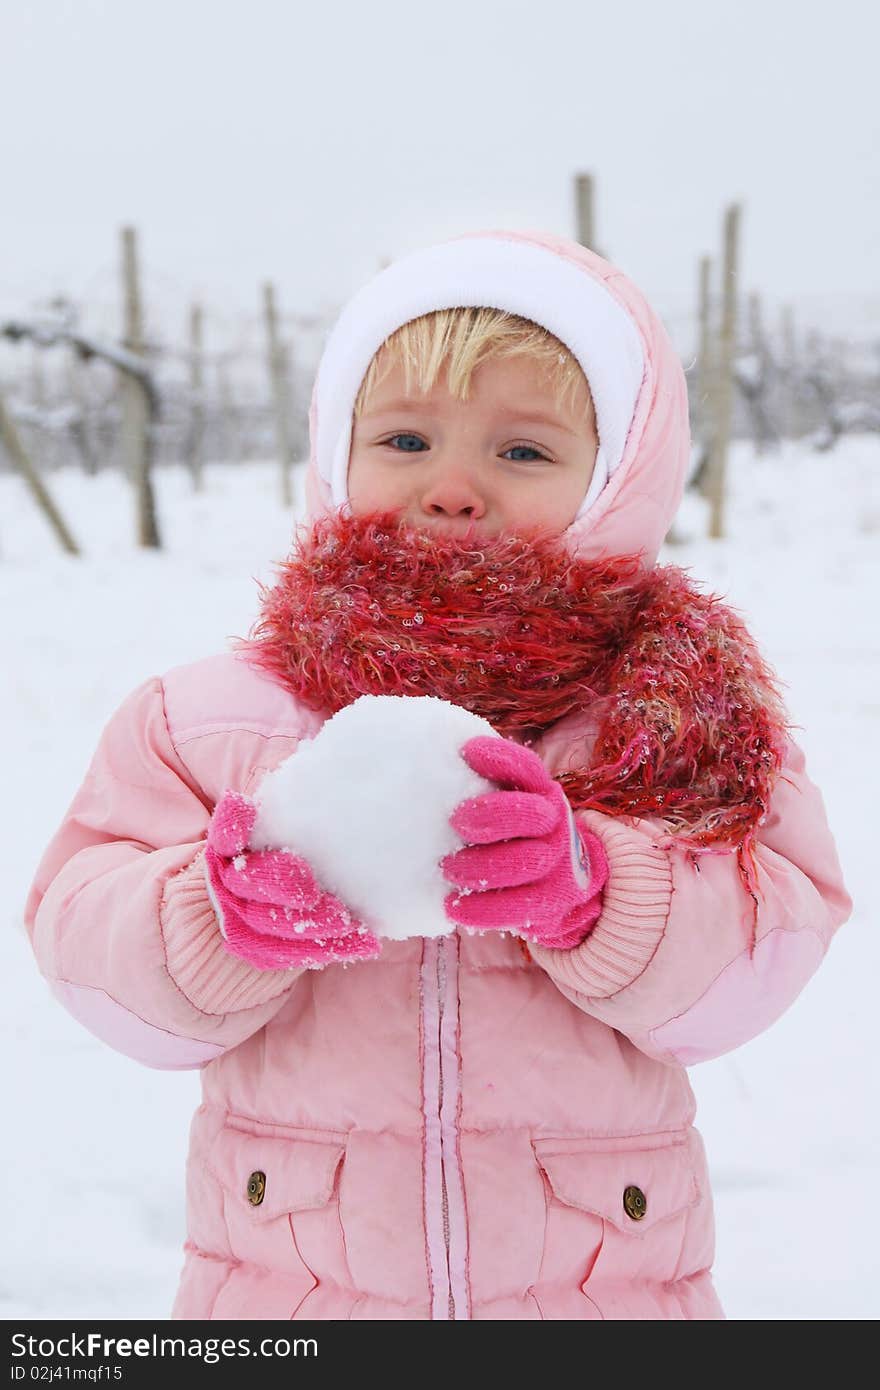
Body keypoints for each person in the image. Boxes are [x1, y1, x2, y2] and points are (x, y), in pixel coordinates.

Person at [24, 230, 851, 1321]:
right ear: (337, 452)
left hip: (598, 1291)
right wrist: (210, 918)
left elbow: (764, 947)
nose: (453, 487)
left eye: (521, 452)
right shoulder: (215, 717)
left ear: (615, 477)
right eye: (407, 438)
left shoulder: (662, 713)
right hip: (291, 1292)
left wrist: (603, 892)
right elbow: (87, 942)